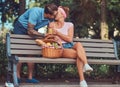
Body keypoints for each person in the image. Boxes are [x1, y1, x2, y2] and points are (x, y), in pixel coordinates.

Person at [48, 6, 93, 87]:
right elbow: (50, 38)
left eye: (57, 12)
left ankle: (86, 65)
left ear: (62, 14)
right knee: (79, 55)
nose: (54, 13)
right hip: (60, 48)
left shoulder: (69, 25)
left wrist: (58, 33)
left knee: (78, 44)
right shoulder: (52, 24)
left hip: (70, 45)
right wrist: (55, 39)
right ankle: (82, 80)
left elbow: (69, 39)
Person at [13, 3, 58, 83]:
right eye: (54, 15)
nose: (55, 16)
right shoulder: (35, 12)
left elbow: (50, 29)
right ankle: (17, 77)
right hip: (21, 27)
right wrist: (43, 35)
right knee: (19, 52)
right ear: (48, 14)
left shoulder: (50, 18)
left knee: (31, 52)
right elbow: (30, 31)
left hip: (34, 29)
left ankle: (30, 77)